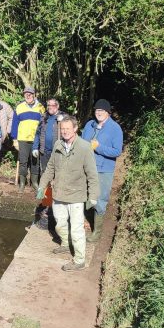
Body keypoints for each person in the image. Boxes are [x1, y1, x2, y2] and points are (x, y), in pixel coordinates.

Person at [39, 115, 99, 271]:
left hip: (76, 195)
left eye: (68, 128)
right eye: (62, 128)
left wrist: (93, 196)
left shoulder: (85, 147)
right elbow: (50, 167)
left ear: (75, 128)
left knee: (77, 229)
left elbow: (92, 175)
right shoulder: (58, 145)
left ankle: (79, 260)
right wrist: (42, 186)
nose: (65, 131)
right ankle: (65, 243)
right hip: (59, 193)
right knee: (59, 223)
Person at [81, 99, 124, 243]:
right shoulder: (89, 125)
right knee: (84, 195)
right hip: (86, 167)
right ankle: (84, 222)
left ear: (108, 112)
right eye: (97, 110)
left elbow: (117, 151)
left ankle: (96, 233)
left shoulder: (115, 128)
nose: (98, 113)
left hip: (104, 170)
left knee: (100, 200)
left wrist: (98, 147)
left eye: (102, 111)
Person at [10, 86, 46, 192]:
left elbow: (43, 124)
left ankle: (34, 182)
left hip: (36, 140)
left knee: (35, 161)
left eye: (30, 94)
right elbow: (14, 125)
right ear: (24, 95)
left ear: (34, 95)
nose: (28, 96)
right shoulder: (19, 107)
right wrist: (15, 139)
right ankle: (22, 183)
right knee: (23, 162)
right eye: (26, 94)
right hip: (22, 139)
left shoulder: (41, 107)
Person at [33, 98, 68, 173]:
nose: (50, 107)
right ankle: (45, 185)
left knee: (57, 173)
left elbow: (71, 129)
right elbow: (38, 133)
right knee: (45, 173)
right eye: (49, 105)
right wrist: (35, 147)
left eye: (53, 105)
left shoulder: (64, 116)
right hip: (44, 152)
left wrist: (64, 119)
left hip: (58, 152)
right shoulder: (44, 117)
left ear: (57, 106)